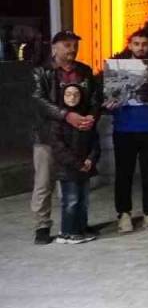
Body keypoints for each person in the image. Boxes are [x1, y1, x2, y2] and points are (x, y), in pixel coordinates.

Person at [30, 31, 99, 244]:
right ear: (54, 48)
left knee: (78, 182)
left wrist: (91, 116)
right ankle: (42, 226)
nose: (72, 49)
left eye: (75, 45)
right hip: (48, 136)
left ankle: (77, 224)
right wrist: (66, 115)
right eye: (67, 45)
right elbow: (38, 100)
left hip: (77, 137)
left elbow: (95, 99)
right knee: (44, 182)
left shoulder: (84, 71)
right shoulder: (42, 71)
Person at [106, 29, 148, 233]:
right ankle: (124, 214)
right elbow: (109, 99)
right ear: (130, 45)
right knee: (124, 174)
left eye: (144, 44)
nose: (140, 47)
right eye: (136, 44)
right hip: (124, 129)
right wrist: (109, 105)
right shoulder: (117, 70)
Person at [48, 72, 102, 244]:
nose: (72, 97)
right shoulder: (58, 121)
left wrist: (90, 160)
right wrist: (78, 163)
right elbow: (59, 148)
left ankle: (80, 227)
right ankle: (68, 232)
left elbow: (95, 143)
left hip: (85, 167)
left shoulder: (86, 119)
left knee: (83, 200)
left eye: (76, 94)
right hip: (68, 169)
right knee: (71, 200)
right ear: (63, 97)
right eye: (68, 94)